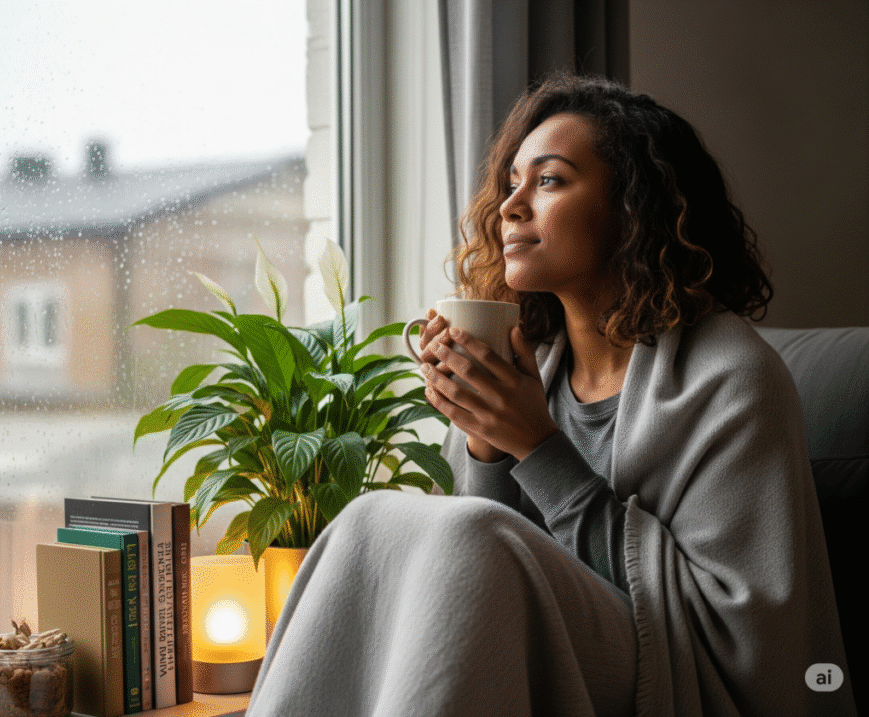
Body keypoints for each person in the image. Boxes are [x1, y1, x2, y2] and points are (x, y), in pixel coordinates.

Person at [245, 74, 854, 716]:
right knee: (369, 519)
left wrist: (535, 445)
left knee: (470, 534)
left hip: (681, 679)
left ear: (633, 208)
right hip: (548, 653)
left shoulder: (731, 376)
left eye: (550, 180)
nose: (510, 206)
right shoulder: (536, 365)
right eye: (511, 183)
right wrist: (485, 441)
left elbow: (737, 636)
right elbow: (486, 587)